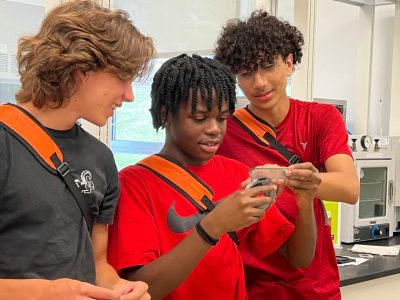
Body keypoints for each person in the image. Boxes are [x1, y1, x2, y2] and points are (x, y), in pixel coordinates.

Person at [107, 53, 321, 300]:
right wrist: (213, 226)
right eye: (199, 118)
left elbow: (299, 257)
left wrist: (305, 202)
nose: (214, 129)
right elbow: (140, 288)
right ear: (165, 114)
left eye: (222, 118)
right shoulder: (134, 184)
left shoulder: (236, 173)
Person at [0, 1, 155, 299]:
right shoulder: (6, 142)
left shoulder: (101, 158)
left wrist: (120, 288)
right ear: (82, 69)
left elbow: (97, 263)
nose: (129, 95)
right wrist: (41, 293)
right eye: (123, 78)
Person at [214, 10, 360, 300]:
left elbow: (349, 187)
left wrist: (300, 178)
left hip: (315, 286)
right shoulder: (224, 131)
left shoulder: (321, 118)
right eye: (245, 72)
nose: (259, 82)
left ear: (289, 62)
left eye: (268, 66)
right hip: (252, 286)